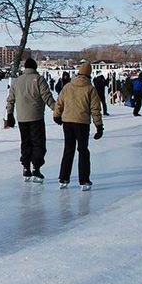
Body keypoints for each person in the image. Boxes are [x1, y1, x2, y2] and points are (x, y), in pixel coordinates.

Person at [5, 58, 56, 183]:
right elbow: (47, 97)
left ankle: (26, 167)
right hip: (36, 117)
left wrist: (10, 115)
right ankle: (36, 168)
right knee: (38, 143)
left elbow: (10, 99)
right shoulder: (39, 80)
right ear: (34, 67)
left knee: (26, 142)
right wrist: (57, 110)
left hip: (22, 118)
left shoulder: (17, 81)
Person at [53, 61, 102, 190]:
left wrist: (57, 115)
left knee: (68, 150)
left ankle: (63, 178)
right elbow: (95, 109)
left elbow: (59, 102)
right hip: (82, 123)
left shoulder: (68, 86)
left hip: (68, 122)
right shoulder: (90, 89)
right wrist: (99, 126)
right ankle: (84, 180)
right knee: (83, 150)